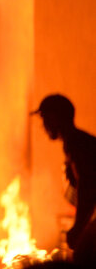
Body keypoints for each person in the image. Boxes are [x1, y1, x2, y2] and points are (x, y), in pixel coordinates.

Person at [32, 94, 96, 258]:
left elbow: (88, 185)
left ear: (55, 118)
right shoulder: (78, 142)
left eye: (45, 118)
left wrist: (79, 226)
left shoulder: (76, 144)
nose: (43, 125)